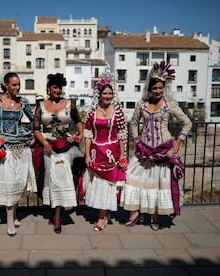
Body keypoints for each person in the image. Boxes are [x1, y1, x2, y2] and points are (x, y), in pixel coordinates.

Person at [122, 61, 192, 230]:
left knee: (157, 183)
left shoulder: (169, 105)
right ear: (149, 89)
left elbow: (187, 123)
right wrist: (137, 140)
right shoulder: (142, 105)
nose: (158, 91)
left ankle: (154, 218)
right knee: (132, 177)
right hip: (144, 148)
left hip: (163, 149)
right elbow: (133, 123)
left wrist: (175, 146)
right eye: (155, 88)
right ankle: (135, 213)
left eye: (161, 88)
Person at [0, 72, 37, 237]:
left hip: (21, 145)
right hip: (3, 147)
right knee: (8, 182)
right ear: (6, 85)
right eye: (14, 84)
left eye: (19, 84)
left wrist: (34, 136)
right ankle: (10, 220)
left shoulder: (24, 102)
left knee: (18, 181)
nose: (17, 88)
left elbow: (34, 120)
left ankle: (14, 215)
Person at [33, 73, 84, 234]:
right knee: (51, 179)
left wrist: (80, 135)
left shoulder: (70, 104)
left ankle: (57, 216)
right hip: (48, 148)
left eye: (60, 87)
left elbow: (78, 121)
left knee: (64, 178)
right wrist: (45, 143)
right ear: (49, 88)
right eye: (55, 87)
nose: (58, 90)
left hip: (67, 146)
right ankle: (55, 210)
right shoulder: (40, 105)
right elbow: (35, 129)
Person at [83, 73, 128, 231]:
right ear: (99, 95)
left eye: (110, 93)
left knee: (108, 185)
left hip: (111, 153)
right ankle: (105, 213)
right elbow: (88, 134)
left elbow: (122, 135)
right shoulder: (92, 112)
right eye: (104, 93)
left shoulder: (119, 112)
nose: (107, 96)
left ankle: (102, 217)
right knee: (98, 185)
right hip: (96, 153)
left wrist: (122, 155)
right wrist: (87, 154)